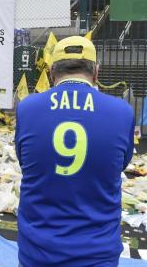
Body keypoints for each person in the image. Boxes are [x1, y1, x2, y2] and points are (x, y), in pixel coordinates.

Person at [15, 36, 134, 266]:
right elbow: (120, 165)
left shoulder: (27, 108)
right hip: (97, 254)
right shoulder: (122, 112)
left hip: (38, 253)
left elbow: (25, 162)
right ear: (96, 73)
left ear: (51, 72)